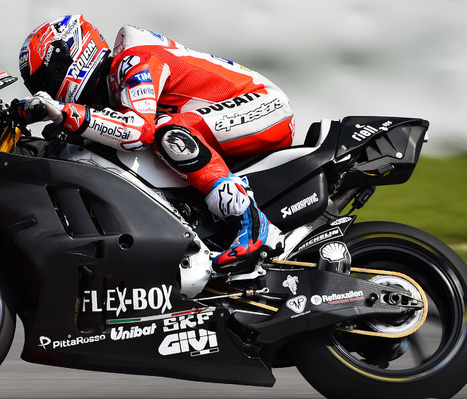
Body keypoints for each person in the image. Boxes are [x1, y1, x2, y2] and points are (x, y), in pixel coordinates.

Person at [16, 14, 295, 273]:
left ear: (74, 53)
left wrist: (68, 114)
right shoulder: (109, 89)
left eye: (48, 75)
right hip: (220, 122)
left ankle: (253, 222)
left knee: (167, 131)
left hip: (264, 105)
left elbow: (138, 133)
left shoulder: (134, 59)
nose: (48, 89)